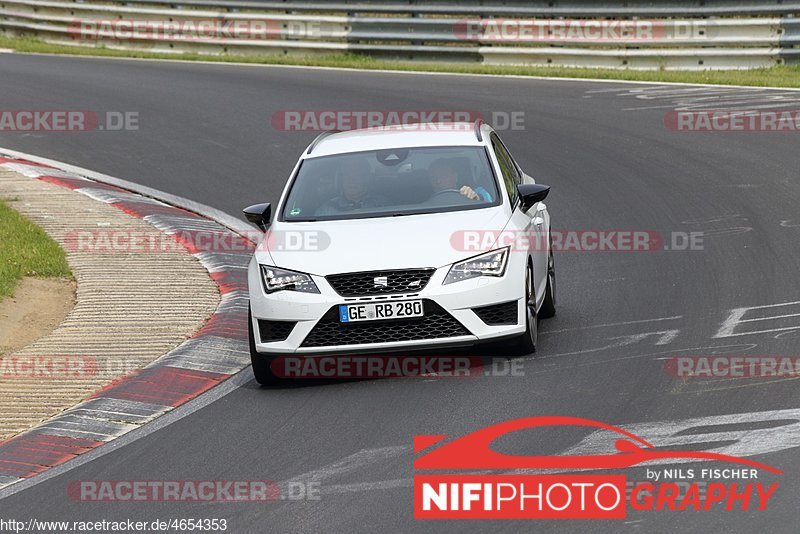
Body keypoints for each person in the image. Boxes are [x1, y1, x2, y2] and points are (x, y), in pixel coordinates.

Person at [315, 159, 388, 216]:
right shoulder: (326, 211)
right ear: (340, 180)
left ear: (367, 178)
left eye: (356, 175)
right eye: (347, 175)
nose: (351, 180)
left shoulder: (383, 205)